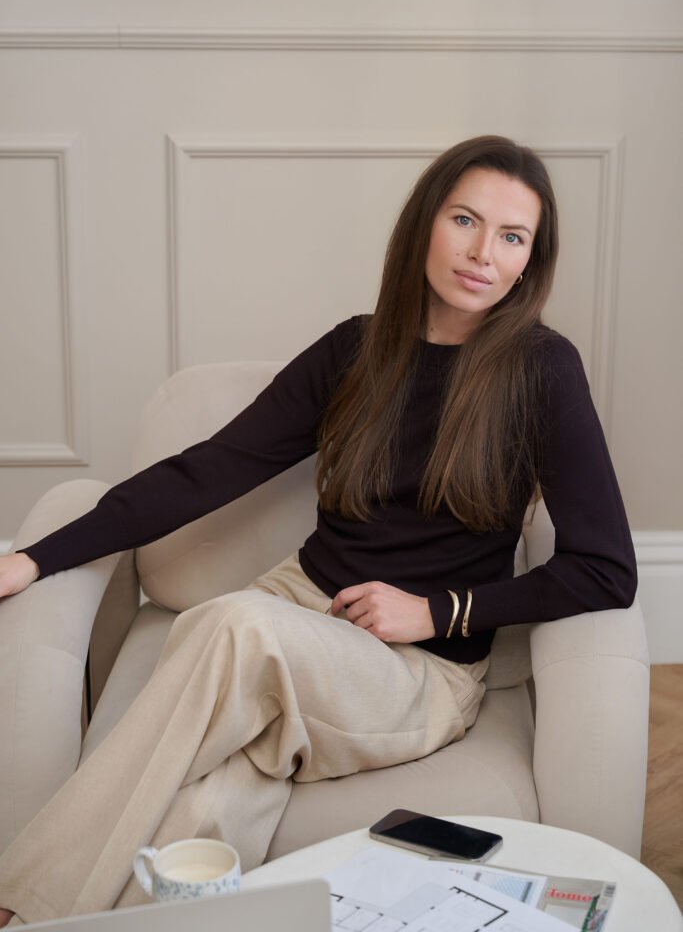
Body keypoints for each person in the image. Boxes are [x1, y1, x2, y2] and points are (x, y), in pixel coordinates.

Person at [0, 135, 636, 925]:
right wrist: (35, 559)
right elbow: (210, 469)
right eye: (464, 221)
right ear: (424, 224)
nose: (483, 254)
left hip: (415, 668)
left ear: (528, 262)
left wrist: (436, 611)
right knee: (209, 802)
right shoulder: (354, 350)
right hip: (298, 610)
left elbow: (605, 568)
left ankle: (19, 909)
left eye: (512, 237)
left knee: (228, 626)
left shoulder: (541, 370)